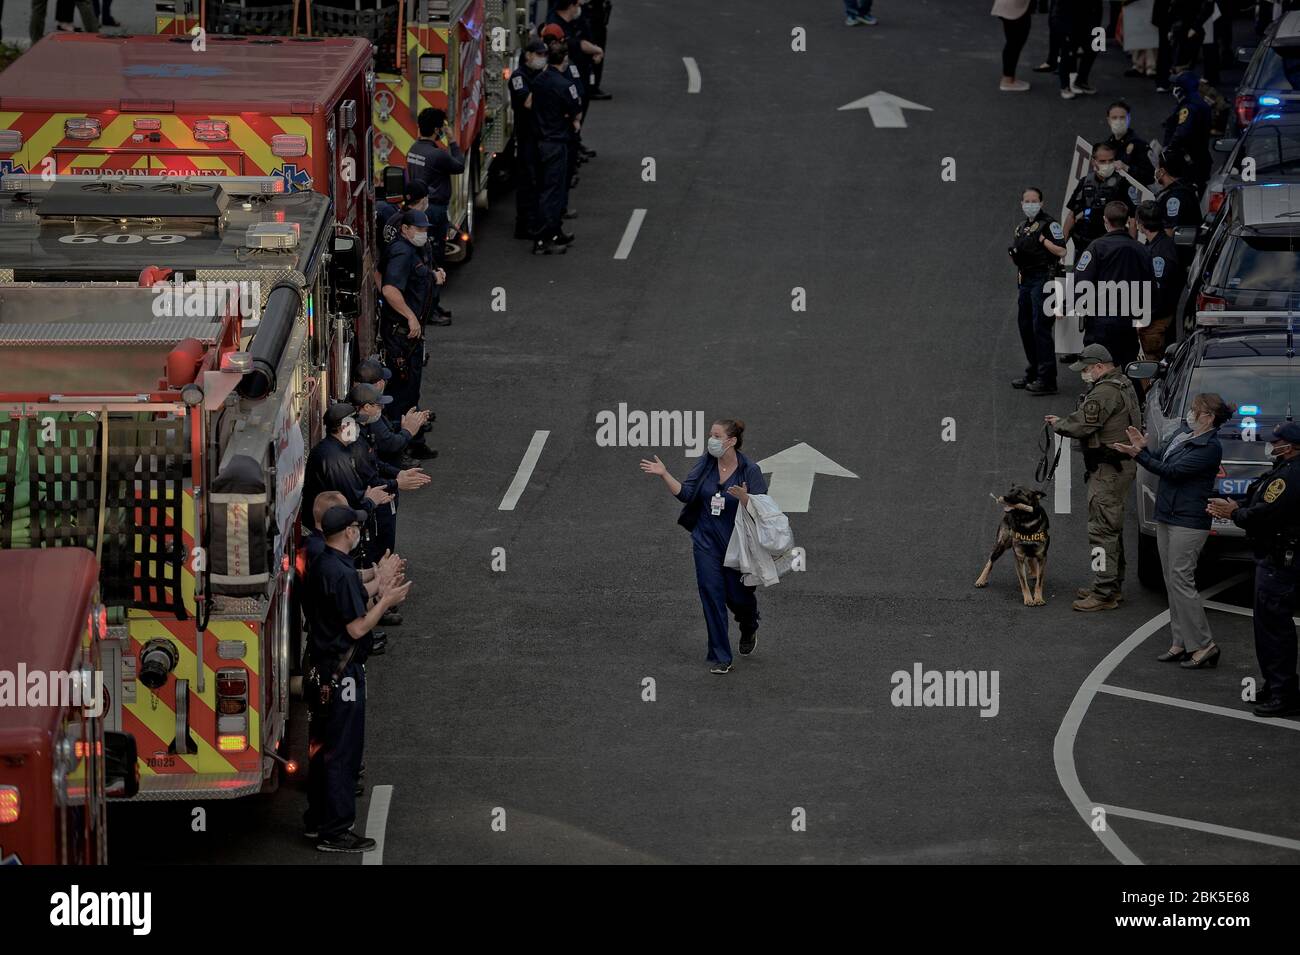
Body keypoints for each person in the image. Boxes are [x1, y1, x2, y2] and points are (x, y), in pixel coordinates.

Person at [303, 504, 410, 852]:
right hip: (341, 675)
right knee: (342, 753)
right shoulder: (341, 572)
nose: (359, 532)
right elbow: (357, 625)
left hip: (320, 670)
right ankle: (336, 830)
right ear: (348, 532)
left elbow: (349, 596)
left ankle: (317, 820)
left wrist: (378, 579)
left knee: (321, 749)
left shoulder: (325, 564)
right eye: (356, 528)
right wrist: (387, 599)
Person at [639, 419, 768, 675]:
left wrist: (745, 499)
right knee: (711, 595)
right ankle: (721, 656)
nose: (711, 440)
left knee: (738, 596)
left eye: (717, 436)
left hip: (736, 546)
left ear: (731, 441)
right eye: (711, 435)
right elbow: (687, 493)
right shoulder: (706, 463)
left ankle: (749, 623)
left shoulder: (749, 470)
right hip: (705, 541)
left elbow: (763, 510)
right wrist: (664, 474)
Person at [1113, 393, 1232, 667]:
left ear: (1208, 417)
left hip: (1188, 521)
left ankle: (1203, 645)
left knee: (1181, 580)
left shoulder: (1209, 447)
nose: (1190, 414)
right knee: (1172, 581)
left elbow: (1173, 472)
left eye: (1195, 410)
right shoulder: (1187, 437)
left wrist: (1139, 455)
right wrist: (1146, 449)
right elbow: (1166, 461)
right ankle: (1181, 641)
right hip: (1169, 514)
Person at [1208, 422, 1300, 717]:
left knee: (1273, 631)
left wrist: (1233, 512)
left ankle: (1283, 694)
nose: (1273, 445)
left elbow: (1266, 514)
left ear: (1292, 446)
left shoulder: (1289, 476)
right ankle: (1277, 686)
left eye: (1278, 442)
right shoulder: (1283, 469)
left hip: (1279, 563)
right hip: (1280, 559)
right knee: (1273, 629)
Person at [1046, 343, 1143, 610]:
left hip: (1108, 469)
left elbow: (1084, 424)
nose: (1084, 374)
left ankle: (1103, 593)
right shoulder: (1122, 383)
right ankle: (1111, 583)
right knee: (1111, 527)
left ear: (1100, 366)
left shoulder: (1105, 392)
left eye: (1087, 369)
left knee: (1101, 529)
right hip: (1118, 467)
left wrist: (1060, 424)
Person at [381, 210, 445, 425]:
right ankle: (403, 445)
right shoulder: (403, 252)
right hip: (402, 336)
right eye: (418, 229)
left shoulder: (416, 249)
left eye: (425, 229)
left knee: (410, 389)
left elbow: (413, 276)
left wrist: (433, 274)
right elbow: (389, 289)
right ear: (405, 229)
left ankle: (412, 437)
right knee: (403, 392)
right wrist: (410, 317)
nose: (423, 233)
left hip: (411, 334)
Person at [1073, 200, 1152, 370]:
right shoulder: (1141, 249)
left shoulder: (1096, 247)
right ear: (1127, 222)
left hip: (1100, 322)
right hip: (1127, 322)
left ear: (1105, 221)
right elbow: (1151, 287)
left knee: (1097, 368)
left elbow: (1081, 283)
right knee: (1126, 368)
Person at [301, 403, 394, 534]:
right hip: (330, 529)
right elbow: (353, 500)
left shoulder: (331, 448)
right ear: (344, 427)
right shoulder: (335, 458)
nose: (357, 428)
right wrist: (371, 500)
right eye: (355, 424)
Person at [1009, 187, 1067, 395]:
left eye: (1034, 201)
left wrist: (1044, 241)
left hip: (1044, 279)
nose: (1030, 204)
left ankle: (1047, 378)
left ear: (1041, 203)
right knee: (1024, 326)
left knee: (1040, 327)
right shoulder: (1021, 227)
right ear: (1022, 203)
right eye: (1027, 201)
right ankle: (1033, 371)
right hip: (1025, 279)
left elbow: (1062, 250)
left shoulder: (1049, 225)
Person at [530, 41, 581, 254]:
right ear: (565, 59)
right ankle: (542, 239)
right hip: (557, 142)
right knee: (553, 192)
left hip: (539, 141)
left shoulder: (539, 80)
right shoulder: (565, 85)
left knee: (545, 189)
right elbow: (576, 111)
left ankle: (554, 231)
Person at [405, 107, 465, 279]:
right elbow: (459, 166)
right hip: (435, 210)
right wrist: (452, 139)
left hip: (417, 208)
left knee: (421, 252)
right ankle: (434, 295)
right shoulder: (438, 155)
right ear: (437, 130)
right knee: (435, 254)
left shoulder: (413, 150)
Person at [1064, 142, 1139, 254]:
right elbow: (1071, 215)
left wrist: (1132, 251)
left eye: (1111, 160)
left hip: (1111, 247)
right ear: (1093, 161)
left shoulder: (1123, 185)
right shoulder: (1085, 182)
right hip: (1085, 246)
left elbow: (1133, 220)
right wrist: (1061, 246)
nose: (1107, 164)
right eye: (1102, 161)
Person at [358, 357, 434, 466]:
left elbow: (386, 429)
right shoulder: (371, 410)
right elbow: (390, 443)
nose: (385, 382)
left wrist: (409, 422)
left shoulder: (361, 398)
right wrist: (408, 430)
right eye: (383, 379)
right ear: (378, 384)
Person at [1136, 200, 1185, 364]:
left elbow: (1159, 290)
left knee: (1151, 366)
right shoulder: (1158, 245)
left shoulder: (1159, 253)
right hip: (1156, 317)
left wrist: (1144, 318)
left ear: (1141, 224)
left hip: (1156, 321)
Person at [511, 41, 549, 241]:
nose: (542, 57)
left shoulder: (536, 75)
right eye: (539, 54)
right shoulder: (520, 77)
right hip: (526, 135)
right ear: (528, 55)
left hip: (537, 135)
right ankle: (523, 224)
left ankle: (534, 220)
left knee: (537, 181)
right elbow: (527, 102)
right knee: (527, 181)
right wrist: (544, 82)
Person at [1162, 70, 1213, 194]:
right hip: (1199, 157)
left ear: (1182, 89)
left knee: (1186, 190)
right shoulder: (1198, 102)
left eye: (1176, 86)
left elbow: (1182, 132)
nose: (1173, 88)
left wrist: (1169, 148)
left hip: (1190, 160)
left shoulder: (1189, 107)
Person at [1151, 149, 1201, 269]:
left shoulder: (1175, 198)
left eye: (1157, 167)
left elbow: (1169, 232)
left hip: (1174, 259)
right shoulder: (1186, 187)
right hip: (1183, 254)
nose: (1156, 170)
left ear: (1162, 171)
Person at [1101, 100, 1155, 187]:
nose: (1118, 121)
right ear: (1108, 120)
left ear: (1129, 119)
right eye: (1114, 118)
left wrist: (1127, 168)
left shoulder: (1140, 145)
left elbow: (1150, 177)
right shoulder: (1106, 146)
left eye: (1122, 118)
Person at [1060, 0, 1103, 99]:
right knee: (1068, 50)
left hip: (1093, 11)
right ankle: (1064, 86)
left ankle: (1081, 81)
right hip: (1070, 13)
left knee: (1096, 46)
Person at [993, 0, 1033, 92]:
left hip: (1010, 6)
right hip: (1013, 7)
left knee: (1013, 42)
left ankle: (1009, 78)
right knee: (1014, 42)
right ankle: (1007, 80)